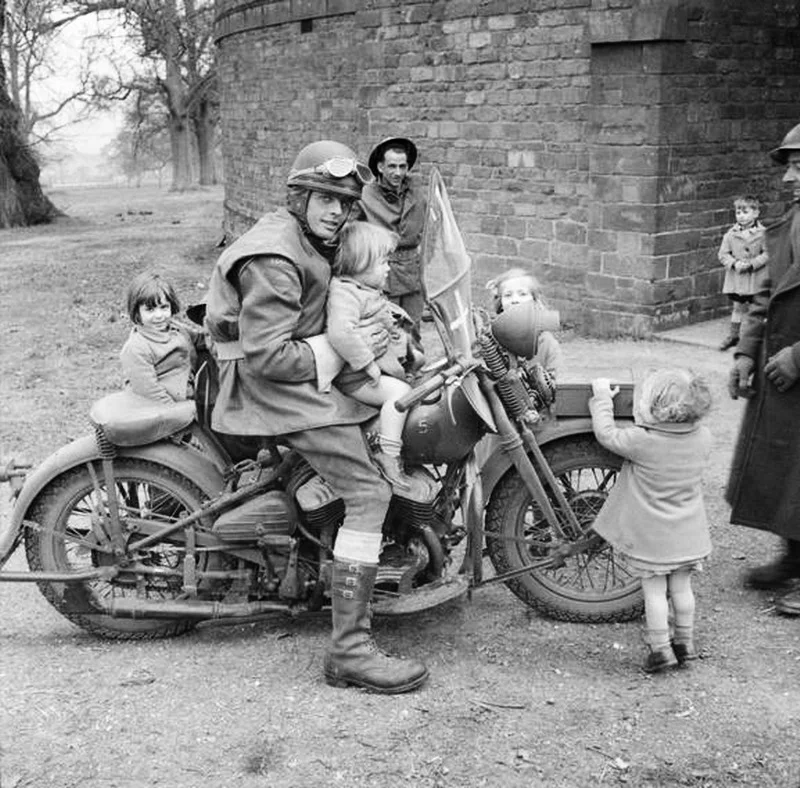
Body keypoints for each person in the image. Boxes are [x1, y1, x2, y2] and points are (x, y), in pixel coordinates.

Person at [203, 140, 428, 693]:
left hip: (297, 374)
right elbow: (270, 356)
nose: (336, 211)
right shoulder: (275, 258)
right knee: (370, 493)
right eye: (325, 198)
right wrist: (336, 349)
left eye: (345, 203)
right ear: (300, 195)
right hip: (267, 385)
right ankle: (349, 650)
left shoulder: (311, 237)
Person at [589, 369, 713, 673]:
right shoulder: (704, 438)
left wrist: (602, 397)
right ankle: (685, 643)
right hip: (690, 535)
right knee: (682, 590)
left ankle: (660, 650)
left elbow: (606, 434)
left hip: (654, 539)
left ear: (656, 409)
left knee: (655, 592)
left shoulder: (642, 441)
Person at [728, 121, 800, 616]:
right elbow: (762, 294)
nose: (787, 178)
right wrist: (743, 354)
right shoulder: (794, 218)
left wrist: (798, 356)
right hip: (780, 369)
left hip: (794, 362)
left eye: (798, 165)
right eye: (790, 165)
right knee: (788, 470)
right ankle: (793, 557)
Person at [326, 221, 422, 491]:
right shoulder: (345, 293)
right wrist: (366, 362)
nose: (389, 268)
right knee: (401, 396)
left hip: (375, 365)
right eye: (383, 262)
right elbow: (340, 332)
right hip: (356, 376)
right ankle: (388, 454)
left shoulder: (364, 289)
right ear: (360, 263)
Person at [359, 137, 427, 334]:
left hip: (412, 271)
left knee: (413, 329)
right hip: (382, 272)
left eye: (402, 166)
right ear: (380, 167)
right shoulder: (365, 195)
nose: (398, 172)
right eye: (391, 166)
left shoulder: (416, 189)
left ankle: (416, 364)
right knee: (388, 328)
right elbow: (352, 234)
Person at [120, 271, 199, 404]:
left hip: (189, 398)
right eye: (150, 310)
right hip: (159, 412)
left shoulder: (177, 329)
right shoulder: (136, 348)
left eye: (164, 307)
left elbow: (201, 339)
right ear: (137, 312)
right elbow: (149, 391)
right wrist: (176, 411)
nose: (159, 315)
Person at [486, 266, 563, 380]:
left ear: (534, 300)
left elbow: (555, 381)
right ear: (500, 303)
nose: (515, 300)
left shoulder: (547, 343)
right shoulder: (490, 341)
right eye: (508, 295)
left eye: (522, 294)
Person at [717, 195, 768, 351]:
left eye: (745, 212)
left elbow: (768, 253)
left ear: (756, 213)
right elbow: (723, 254)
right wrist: (734, 263)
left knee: (756, 308)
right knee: (737, 307)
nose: (741, 216)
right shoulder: (730, 234)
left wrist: (753, 264)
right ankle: (733, 335)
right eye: (738, 212)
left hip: (756, 277)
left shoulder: (763, 233)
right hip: (738, 277)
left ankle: (753, 338)